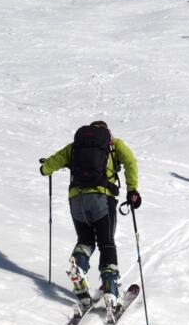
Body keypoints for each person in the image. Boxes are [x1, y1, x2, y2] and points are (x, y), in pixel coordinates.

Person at [40, 120, 141, 313]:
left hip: (76, 199)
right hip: (102, 198)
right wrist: (132, 189)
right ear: (106, 131)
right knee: (107, 243)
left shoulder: (76, 146)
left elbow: (50, 165)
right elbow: (130, 161)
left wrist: (45, 168)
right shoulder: (112, 143)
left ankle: (78, 264)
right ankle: (111, 292)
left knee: (85, 239)